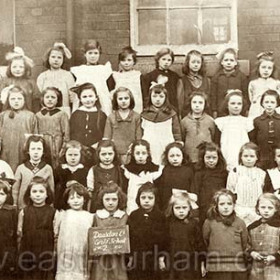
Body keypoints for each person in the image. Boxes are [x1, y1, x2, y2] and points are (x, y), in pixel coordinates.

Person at [202, 189, 248, 280]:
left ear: (234, 205)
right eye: (222, 204)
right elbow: (205, 241)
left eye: (229, 204)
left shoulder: (240, 222)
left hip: (237, 267)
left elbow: (245, 243)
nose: (226, 207)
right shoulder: (209, 222)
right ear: (216, 206)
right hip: (216, 267)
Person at [17, 176, 56, 280]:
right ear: (29, 194)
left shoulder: (53, 212)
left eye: (41, 191)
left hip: (46, 248)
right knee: (28, 273)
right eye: (34, 191)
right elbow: (19, 232)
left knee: (45, 273)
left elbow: (55, 233)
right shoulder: (24, 212)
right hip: (28, 248)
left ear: (47, 194)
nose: (37, 194)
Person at [127, 182, 167, 280]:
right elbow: (129, 237)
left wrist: (162, 258)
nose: (146, 201)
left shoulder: (160, 216)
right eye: (143, 198)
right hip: (138, 257)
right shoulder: (134, 216)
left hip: (154, 257)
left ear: (155, 199)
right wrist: (130, 257)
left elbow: (165, 239)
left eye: (150, 198)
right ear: (138, 199)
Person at [55, 181, 94, 280]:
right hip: (66, 251)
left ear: (84, 199)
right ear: (67, 201)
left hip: (82, 250)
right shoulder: (63, 215)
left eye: (79, 198)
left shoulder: (89, 216)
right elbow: (56, 234)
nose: (75, 201)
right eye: (72, 198)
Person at [90, 182, 128, 280]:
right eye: (107, 199)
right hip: (100, 259)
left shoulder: (123, 216)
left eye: (114, 199)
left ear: (119, 200)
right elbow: (92, 237)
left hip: (118, 258)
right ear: (101, 200)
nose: (110, 202)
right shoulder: (96, 216)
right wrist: (95, 248)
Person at [165, 192, 203, 280]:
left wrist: (202, 262)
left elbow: (199, 244)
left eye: (184, 207)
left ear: (189, 208)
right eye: (177, 208)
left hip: (190, 260)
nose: (181, 211)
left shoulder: (194, 223)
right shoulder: (168, 223)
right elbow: (164, 243)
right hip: (173, 260)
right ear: (172, 208)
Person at [141, 83, 182, 165]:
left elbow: (176, 131)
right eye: (154, 96)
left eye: (161, 96)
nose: (158, 99)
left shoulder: (171, 114)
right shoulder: (144, 114)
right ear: (150, 97)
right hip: (149, 144)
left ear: (165, 98)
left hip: (166, 143)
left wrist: (178, 142)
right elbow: (140, 131)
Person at [227, 142, 266, 225]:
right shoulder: (235, 171)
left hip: (256, 210)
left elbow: (263, 191)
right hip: (239, 208)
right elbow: (230, 190)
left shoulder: (261, 173)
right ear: (241, 157)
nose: (248, 159)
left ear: (257, 158)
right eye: (245, 156)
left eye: (252, 156)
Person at [0, 86, 38, 171]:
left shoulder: (30, 116)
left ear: (24, 100)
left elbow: (35, 137)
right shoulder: (3, 115)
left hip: (23, 151)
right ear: (8, 100)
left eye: (19, 98)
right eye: (13, 99)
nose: (16, 101)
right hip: (6, 151)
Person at [70, 39, 112, 116]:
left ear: (99, 54)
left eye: (96, 53)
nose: (93, 56)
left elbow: (110, 88)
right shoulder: (78, 70)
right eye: (90, 53)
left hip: (102, 102)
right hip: (84, 102)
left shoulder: (105, 70)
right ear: (85, 54)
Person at [12, 135, 54, 210]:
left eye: (39, 149)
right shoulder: (21, 168)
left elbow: (51, 189)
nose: (36, 152)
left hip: (42, 207)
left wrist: (50, 206)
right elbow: (15, 189)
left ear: (43, 151)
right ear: (28, 151)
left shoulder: (47, 168)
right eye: (33, 149)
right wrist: (15, 204)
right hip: (24, 207)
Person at [215, 89, 253, 171]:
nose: (236, 106)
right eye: (233, 103)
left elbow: (252, 141)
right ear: (227, 105)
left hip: (243, 153)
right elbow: (217, 142)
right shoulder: (221, 122)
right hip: (226, 152)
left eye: (239, 104)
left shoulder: (247, 122)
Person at [121, 139, 163, 214]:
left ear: (148, 154)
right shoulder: (127, 170)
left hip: (149, 203)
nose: (140, 156)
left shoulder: (155, 170)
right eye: (137, 153)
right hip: (132, 203)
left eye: (143, 153)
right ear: (133, 154)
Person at [70, 82, 107, 166]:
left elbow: (105, 132)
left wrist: (98, 144)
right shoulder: (76, 114)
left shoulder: (101, 115)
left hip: (96, 149)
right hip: (79, 150)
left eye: (90, 96)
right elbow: (72, 131)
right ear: (80, 99)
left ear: (96, 97)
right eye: (84, 97)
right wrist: (78, 145)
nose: (88, 99)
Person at [103, 87, 142, 164]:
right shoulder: (111, 117)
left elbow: (138, 138)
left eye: (126, 98)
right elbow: (107, 138)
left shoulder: (136, 117)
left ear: (130, 99)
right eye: (120, 99)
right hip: (115, 154)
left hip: (131, 153)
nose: (123, 101)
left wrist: (134, 148)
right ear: (115, 101)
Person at [37, 42, 76, 116]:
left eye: (59, 57)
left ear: (63, 59)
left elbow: (73, 97)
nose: (56, 60)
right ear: (48, 58)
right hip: (46, 112)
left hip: (63, 110)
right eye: (53, 57)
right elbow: (40, 96)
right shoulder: (43, 76)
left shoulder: (67, 75)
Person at [194, 142, 228, 226]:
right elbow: (195, 190)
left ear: (219, 158)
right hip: (204, 206)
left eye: (214, 158)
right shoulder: (199, 173)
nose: (211, 160)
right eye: (208, 158)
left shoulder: (223, 173)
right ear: (203, 158)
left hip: (219, 206)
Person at [247, 193, 280, 280]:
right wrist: (252, 253)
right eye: (263, 207)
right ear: (258, 208)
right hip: (256, 269)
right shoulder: (252, 227)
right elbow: (246, 244)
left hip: (275, 269)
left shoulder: (278, 227)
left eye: (270, 208)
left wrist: (275, 257)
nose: (266, 210)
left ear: (276, 209)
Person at [36, 86, 70, 168]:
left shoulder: (62, 114)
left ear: (58, 99)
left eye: (53, 97)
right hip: (43, 143)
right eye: (47, 97)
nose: (50, 99)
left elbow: (66, 134)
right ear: (42, 99)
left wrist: (63, 149)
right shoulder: (38, 115)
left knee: (56, 165)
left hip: (57, 143)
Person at [155, 142, 194, 211]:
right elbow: (160, 190)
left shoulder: (189, 171)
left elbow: (192, 189)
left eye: (178, 155)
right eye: (172, 156)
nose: (175, 159)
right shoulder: (164, 170)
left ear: (183, 156)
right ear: (167, 157)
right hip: (167, 205)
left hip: (183, 206)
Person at [210, 48, 249, 117]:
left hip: (237, 110)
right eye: (226, 60)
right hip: (221, 111)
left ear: (236, 62)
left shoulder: (241, 77)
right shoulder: (217, 77)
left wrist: (245, 109)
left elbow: (245, 94)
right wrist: (214, 110)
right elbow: (213, 95)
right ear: (221, 62)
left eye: (231, 60)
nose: (228, 62)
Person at [87, 140, 123, 212]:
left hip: (114, 205)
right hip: (97, 206)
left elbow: (121, 189)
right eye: (103, 154)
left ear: (115, 154)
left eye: (110, 154)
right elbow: (90, 192)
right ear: (98, 154)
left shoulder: (119, 170)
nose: (107, 157)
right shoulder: (93, 170)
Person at [0, 46, 40, 112]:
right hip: (8, 115)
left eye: (21, 67)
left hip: (27, 115)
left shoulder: (31, 82)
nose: (17, 69)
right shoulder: (5, 81)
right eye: (14, 67)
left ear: (25, 68)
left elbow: (36, 100)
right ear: (10, 68)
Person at [181, 92, 215, 164]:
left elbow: (213, 136)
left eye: (200, 103)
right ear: (190, 103)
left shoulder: (210, 120)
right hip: (190, 157)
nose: (197, 105)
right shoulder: (184, 121)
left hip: (206, 158)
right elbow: (183, 137)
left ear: (205, 104)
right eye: (194, 102)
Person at [54, 140, 90, 210]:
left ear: (81, 155)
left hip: (79, 203)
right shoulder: (59, 170)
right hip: (62, 203)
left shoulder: (85, 171)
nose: (73, 158)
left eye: (76, 155)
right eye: (70, 155)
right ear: (65, 155)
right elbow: (55, 186)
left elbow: (87, 188)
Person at [249, 90, 280, 169]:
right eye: (266, 102)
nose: (269, 105)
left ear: (277, 104)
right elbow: (253, 140)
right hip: (262, 157)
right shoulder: (257, 121)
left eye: (272, 102)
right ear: (262, 103)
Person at [109, 46, 143, 114]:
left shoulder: (138, 75)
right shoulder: (115, 76)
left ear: (134, 61)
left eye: (129, 60)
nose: (126, 63)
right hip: (121, 105)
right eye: (123, 60)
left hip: (136, 106)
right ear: (119, 62)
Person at [177, 49, 210, 118]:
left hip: (204, 117)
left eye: (198, 62)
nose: (196, 65)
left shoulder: (206, 80)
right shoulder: (182, 81)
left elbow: (209, 101)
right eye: (193, 62)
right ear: (188, 63)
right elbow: (180, 103)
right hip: (187, 117)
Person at [248, 51, 280, 119]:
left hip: (273, 107)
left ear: (273, 70)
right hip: (257, 109)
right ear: (258, 68)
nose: (266, 70)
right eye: (263, 67)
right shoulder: (253, 83)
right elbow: (251, 97)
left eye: (269, 68)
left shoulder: (276, 83)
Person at [0, 179, 17, 280]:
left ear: (7, 196)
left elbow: (15, 233)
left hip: (5, 248)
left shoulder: (11, 211)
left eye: (1, 194)